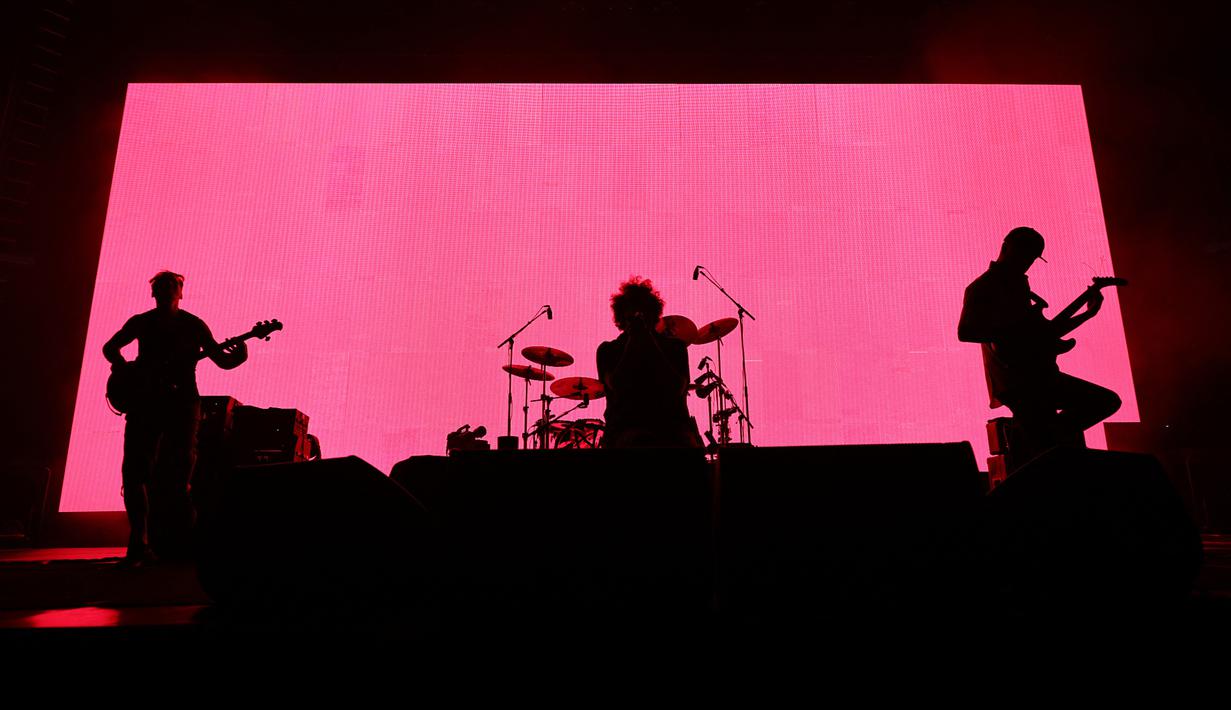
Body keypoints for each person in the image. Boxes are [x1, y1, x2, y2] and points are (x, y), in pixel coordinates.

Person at [103, 271, 248, 564]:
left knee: (181, 471)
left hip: (182, 402)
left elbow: (221, 360)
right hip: (149, 402)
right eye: (163, 286)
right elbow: (110, 348)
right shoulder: (142, 322)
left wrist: (240, 356)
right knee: (135, 471)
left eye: (173, 286)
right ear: (154, 293)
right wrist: (128, 370)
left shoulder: (193, 325)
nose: (168, 290)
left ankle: (177, 541)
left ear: (181, 292)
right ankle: (139, 542)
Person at [958, 227, 1121, 454]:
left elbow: (1045, 335)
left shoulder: (1018, 287)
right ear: (1006, 248)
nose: (1027, 262)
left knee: (1103, 403)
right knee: (1103, 402)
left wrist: (1088, 313)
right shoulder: (983, 286)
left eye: (1032, 257)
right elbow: (966, 332)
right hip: (1021, 382)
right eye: (1024, 254)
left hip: (1037, 378)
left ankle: (1043, 437)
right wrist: (1014, 333)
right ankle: (1043, 436)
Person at [596, 277, 702, 448]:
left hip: (671, 429)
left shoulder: (675, 347)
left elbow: (676, 387)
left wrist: (646, 338)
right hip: (625, 430)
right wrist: (635, 339)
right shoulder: (608, 350)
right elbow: (618, 385)